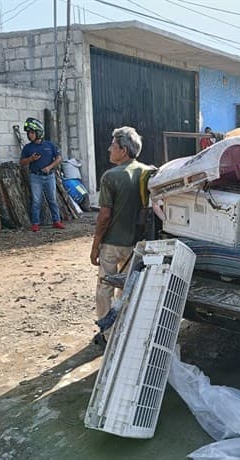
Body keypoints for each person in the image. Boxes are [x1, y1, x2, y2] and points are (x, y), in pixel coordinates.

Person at [90, 126, 151, 343]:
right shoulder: (147, 171)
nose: (109, 150)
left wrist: (95, 243)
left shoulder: (111, 176)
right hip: (137, 243)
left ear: (123, 150)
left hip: (113, 244)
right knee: (128, 287)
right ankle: (125, 328)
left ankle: (107, 333)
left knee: (105, 287)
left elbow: (104, 216)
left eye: (113, 146)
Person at [19, 117, 65, 231]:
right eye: (29, 133)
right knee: (36, 201)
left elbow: (59, 157)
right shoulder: (27, 147)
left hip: (49, 177)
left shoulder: (50, 145)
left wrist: (50, 167)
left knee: (52, 200)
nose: (30, 135)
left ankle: (56, 221)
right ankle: (35, 223)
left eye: (32, 133)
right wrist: (31, 159)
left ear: (39, 132)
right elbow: (22, 162)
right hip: (35, 177)